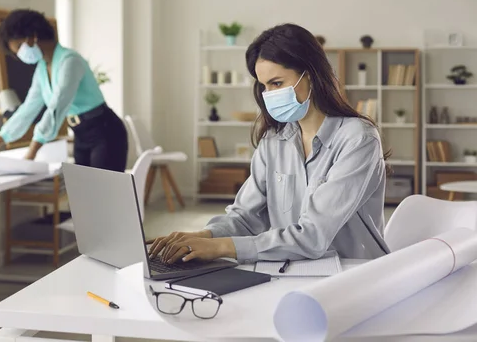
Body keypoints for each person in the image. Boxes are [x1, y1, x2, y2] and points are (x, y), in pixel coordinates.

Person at [148, 23, 391, 265]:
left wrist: (218, 246)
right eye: (264, 86)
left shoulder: (358, 139)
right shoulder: (274, 140)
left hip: (354, 273)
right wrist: (201, 237)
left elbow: (313, 236)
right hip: (292, 269)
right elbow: (245, 218)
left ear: (311, 76)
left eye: (277, 83)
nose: (269, 94)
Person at [0, 9, 128, 172]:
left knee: (105, 194)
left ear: (32, 37)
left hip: (105, 131)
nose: (19, 55)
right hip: (81, 134)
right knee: (84, 195)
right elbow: (27, 110)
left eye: (18, 47)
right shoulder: (42, 69)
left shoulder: (70, 61)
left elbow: (57, 107)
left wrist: (32, 152)